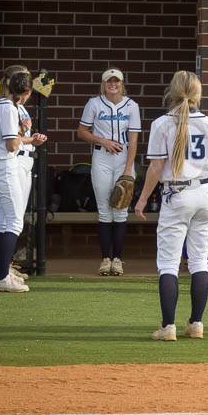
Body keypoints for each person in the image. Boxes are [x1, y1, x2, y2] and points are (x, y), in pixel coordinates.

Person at [134, 71, 208, 341]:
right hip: (206, 193)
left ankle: (168, 327)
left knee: (169, 263)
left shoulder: (162, 123)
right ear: (198, 94)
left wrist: (141, 200)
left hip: (177, 194)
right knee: (199, 261)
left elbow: (155, 167)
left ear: (172, 92)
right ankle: (196, 324)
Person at [0, 67, 45, 292]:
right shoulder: (9, 109)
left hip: (0, 165)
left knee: (3, 221)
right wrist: (30, 140)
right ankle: (1, 276)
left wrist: (26, 140)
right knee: (14, 222)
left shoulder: (3, 106)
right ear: (26, 92)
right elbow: (11, 143)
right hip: (5, 165)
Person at [77, 68, 141, 276]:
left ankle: (118, 260)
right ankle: (105, 259)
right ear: (103, 84)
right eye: (109, 81)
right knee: (105, 210)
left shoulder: (132, 106)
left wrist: (128, 169)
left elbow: (133, 140)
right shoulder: (94, 103)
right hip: (101, 157)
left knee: (121, 210)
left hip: (123, 158)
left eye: (116, 81)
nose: (113, 84)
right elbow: (82, 132)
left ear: (122, 83)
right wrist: (102, 140)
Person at [4, 65, 45, 284]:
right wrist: (28, 136)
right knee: (12, 219)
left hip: (25, 159)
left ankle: (5, 266)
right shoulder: (8, 106)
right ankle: (3, 269)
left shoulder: (18, 106)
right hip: (15, 160)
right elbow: (12, 138)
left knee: (14, 218)